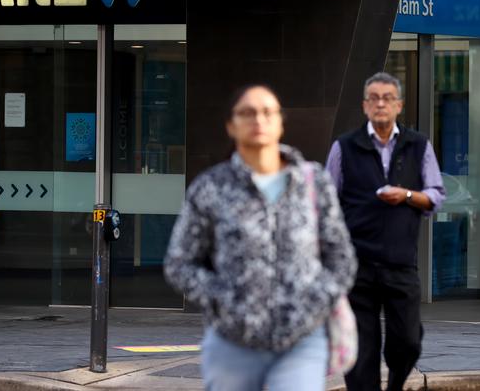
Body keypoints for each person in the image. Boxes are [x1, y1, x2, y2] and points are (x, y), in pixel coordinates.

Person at [165, 84, 357, 391]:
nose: (258, 119)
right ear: (231, 125)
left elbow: (341, 257)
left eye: (268, 112)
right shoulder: (211, 187)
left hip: (301, 340)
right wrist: (223, 299)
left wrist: (314, 301)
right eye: (247, 112)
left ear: (281, 122)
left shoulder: (313, 182)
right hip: (232, 343)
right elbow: (179, 262)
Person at [326, 72, 445, 391]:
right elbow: (326, 203)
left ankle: (394, 385)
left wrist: (406, 195)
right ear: (365, 105)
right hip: (357, 266)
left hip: (400, 263)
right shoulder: (345, 147)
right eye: (374, 98)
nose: (381, 103)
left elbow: (435, 195)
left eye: (388, 98)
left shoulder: (418, 145)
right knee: (360, 353)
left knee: (407, 341)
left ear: (399, 105)